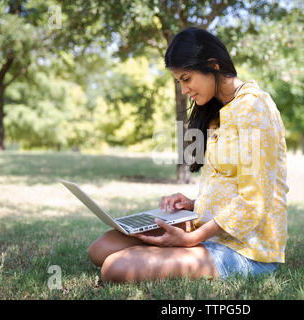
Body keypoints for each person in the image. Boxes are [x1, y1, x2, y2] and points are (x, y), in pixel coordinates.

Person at [88, 27, 289, 283]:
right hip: (210, 230)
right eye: (179, 82)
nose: (184, 90)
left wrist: (190, 239)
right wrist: (194, 204)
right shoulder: (220, 111)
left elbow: (253, 202)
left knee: (115, 267)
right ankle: (165, 254)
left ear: (212, 65)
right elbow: (231, 186)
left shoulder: (254, 108)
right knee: (101, 248)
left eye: (186, 78)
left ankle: (163, 256)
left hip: (245, 250)